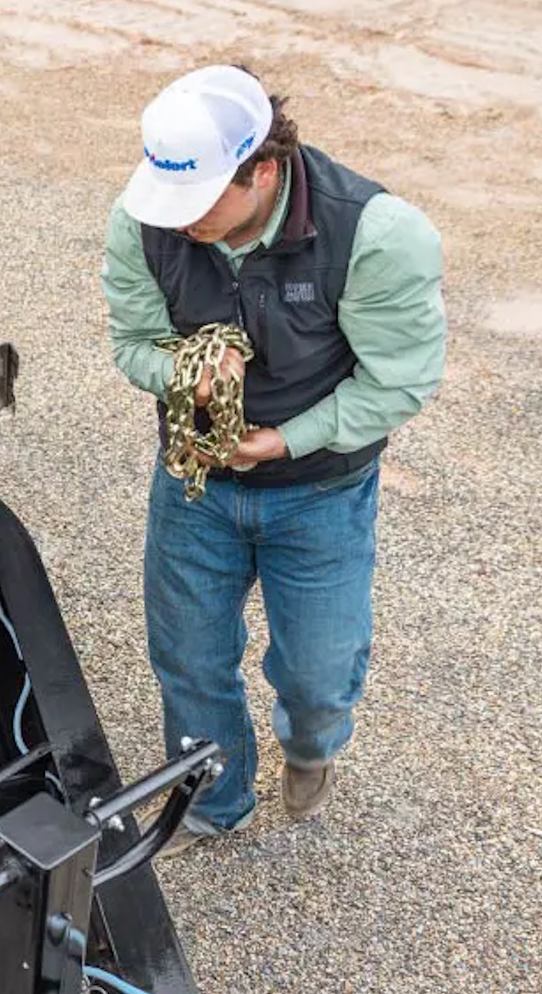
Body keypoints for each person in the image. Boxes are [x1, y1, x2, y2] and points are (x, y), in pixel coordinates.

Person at [100, 64, 446, 855]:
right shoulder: (144, 218)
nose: (179, 220)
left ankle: (312, 745)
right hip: (196, 484)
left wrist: (285, 439)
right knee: (189, 660)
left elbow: (400, 381)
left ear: (261, 170)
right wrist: (185, 375)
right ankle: (213, 801)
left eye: (199, 203)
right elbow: (134, 343)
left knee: (318, 674)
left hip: (321, 489)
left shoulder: (377, 235)